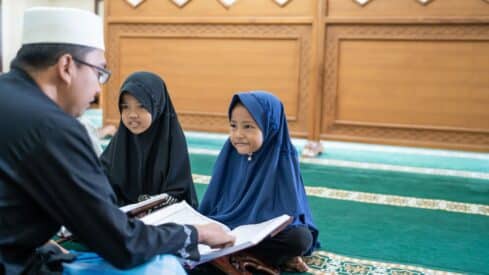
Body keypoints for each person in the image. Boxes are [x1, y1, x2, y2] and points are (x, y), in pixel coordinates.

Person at [0, 7, 234, 275]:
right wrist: (195, 234)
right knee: (162, 268)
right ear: (66, 66)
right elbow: (122, 244)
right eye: (99, 71)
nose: (99, 89)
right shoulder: (53, 128)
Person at [199, 91, 319, 272]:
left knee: (299, 239)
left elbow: (290, 211)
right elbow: (213, 203)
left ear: (270, 126)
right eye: (233, 126)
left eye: (248, 126)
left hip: (262, 233)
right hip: (227, 225)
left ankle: (226, 256)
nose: (238, 134)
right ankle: (244, 257)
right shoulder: (230, 153)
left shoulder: (283, 156)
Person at [101, 72, 198, 208]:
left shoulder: (172, 143)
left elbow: (179, 194)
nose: (132, 114)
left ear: (157, 106)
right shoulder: (119, 145)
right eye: (125, 107)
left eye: (141, 106)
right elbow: (100, 185)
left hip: (163, 220)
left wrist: (149, 205)